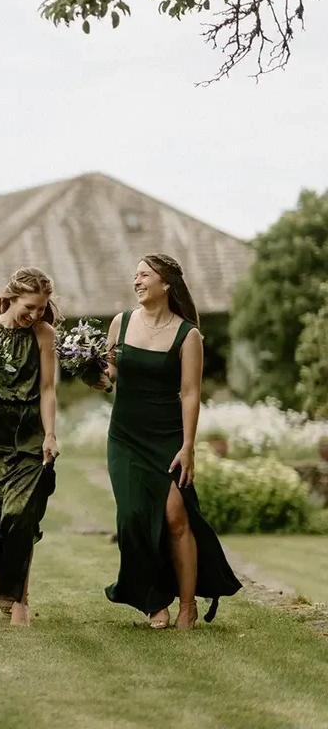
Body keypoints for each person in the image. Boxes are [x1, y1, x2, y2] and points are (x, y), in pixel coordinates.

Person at [101, 254, 241, 629]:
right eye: (135, 275)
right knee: (131, 519)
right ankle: (152, 600)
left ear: (166, 284)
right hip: (125, 437)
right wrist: (94, 373)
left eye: (144, 274)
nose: (137, 280)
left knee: (176, 518)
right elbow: (110, 372)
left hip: (167, 438)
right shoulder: (121, 322)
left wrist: (188, 447)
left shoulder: (187, 335)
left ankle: (186, 606)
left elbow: (191, 393)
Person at [0, 267, 59, 627]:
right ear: (12, 297)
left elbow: (48, 389)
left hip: (30, 436)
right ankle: (9, 575)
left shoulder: (44, 334)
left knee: (20, 517)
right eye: (30, 306)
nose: (35, 314)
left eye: (41, 308)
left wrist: (50, 434)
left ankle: (19, 598)